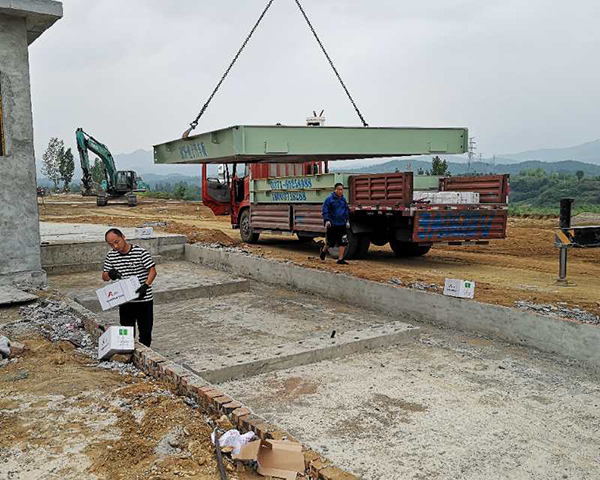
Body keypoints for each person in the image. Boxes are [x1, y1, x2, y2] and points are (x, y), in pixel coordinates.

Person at [102, 228, 157, 347]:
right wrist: (110, 274)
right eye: (111, 244)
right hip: (125, 300)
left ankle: (145, 353)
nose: (115, 246)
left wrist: (146, 286)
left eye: (117, 242)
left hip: (144, 299)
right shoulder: (111, 256)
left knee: (146, 332)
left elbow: (152, 271)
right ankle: (130, 353)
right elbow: (104, 276)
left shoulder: (140, 252)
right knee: (127, 332)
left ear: (123, 237)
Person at [320, 182, 350, 265]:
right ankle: (323, 251)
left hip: (342, 224)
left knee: (343, 241)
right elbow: (325, 210)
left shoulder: (343, 200)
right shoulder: (329, 199)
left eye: (342, 190)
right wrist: (327, 220)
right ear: (335, 190)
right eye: (339, 189)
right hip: (332, 224)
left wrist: (347, 220)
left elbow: (346, 211)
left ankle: (340, 259)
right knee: (330, 242)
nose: (341, 191)